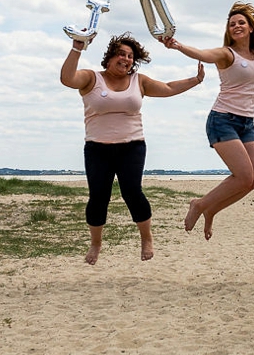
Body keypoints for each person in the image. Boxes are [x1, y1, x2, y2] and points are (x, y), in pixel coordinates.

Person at [161, 1, 254, 239]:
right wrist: (177, 45)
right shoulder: (226, 54)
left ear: (250, 28)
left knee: (253, 180)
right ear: (228, 31)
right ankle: (199, 204)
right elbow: (203, 54)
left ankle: (211, 210)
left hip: (247, 123)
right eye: (232, 24)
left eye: (241, 23)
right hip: (223, 120)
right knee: (244, 176)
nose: (236, 26)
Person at [60, 32, 205, 265]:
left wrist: (196, 80)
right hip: (98, 148)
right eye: (121, 54)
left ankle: (146, 239)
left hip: (132, 147)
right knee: (98, 197)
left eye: (130, 56)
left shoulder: (139, 81)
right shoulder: (91, 78)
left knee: (132, 192)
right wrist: (77, 48)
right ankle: (96, 244)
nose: (126, 59)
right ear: (109, 57)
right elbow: (67, 79)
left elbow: (167, 88)